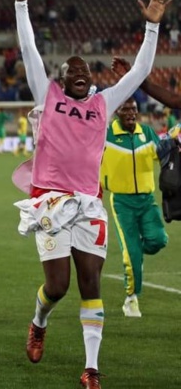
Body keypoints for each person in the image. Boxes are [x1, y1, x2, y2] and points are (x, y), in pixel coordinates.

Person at [11, 0, 166, 388]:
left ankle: (91, 367)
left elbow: (137, 74)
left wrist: (151, 29)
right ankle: (39, 320)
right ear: (60, 82)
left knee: (91, 282)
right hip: (49, 201)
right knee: (57, 286)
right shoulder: (47, 96)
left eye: (85, 72)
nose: (79, 75)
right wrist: (21, 4)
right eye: (71, 72)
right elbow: (29, 52)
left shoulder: (104, 104)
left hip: (90, 204)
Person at [100, 98, 170, 317]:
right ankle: (131, 298)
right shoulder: (106, 135)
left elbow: (162, 155)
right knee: (130, 255)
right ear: (117, 111)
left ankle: (135, 249)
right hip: (122, 202)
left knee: (158, 240)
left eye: (134, 109)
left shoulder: (146, 133)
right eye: (125, 109)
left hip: (147, 200)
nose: (130, 113)